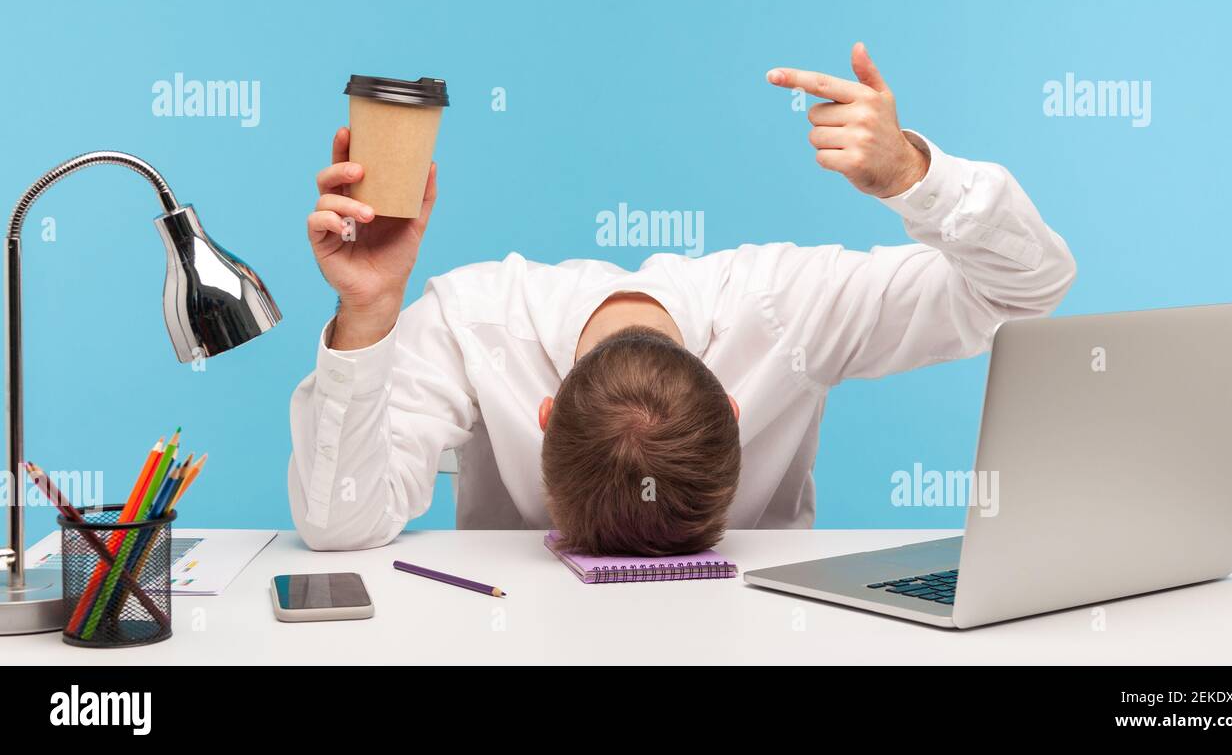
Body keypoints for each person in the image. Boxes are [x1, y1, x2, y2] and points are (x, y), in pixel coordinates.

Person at [289, 43, 1076, 554]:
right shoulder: (472, 323)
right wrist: (368, 309)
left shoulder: (789, 308)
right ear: (734, 410)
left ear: (545, 417)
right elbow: (340, 522)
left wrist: (917, 175)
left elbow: (1028, 287)